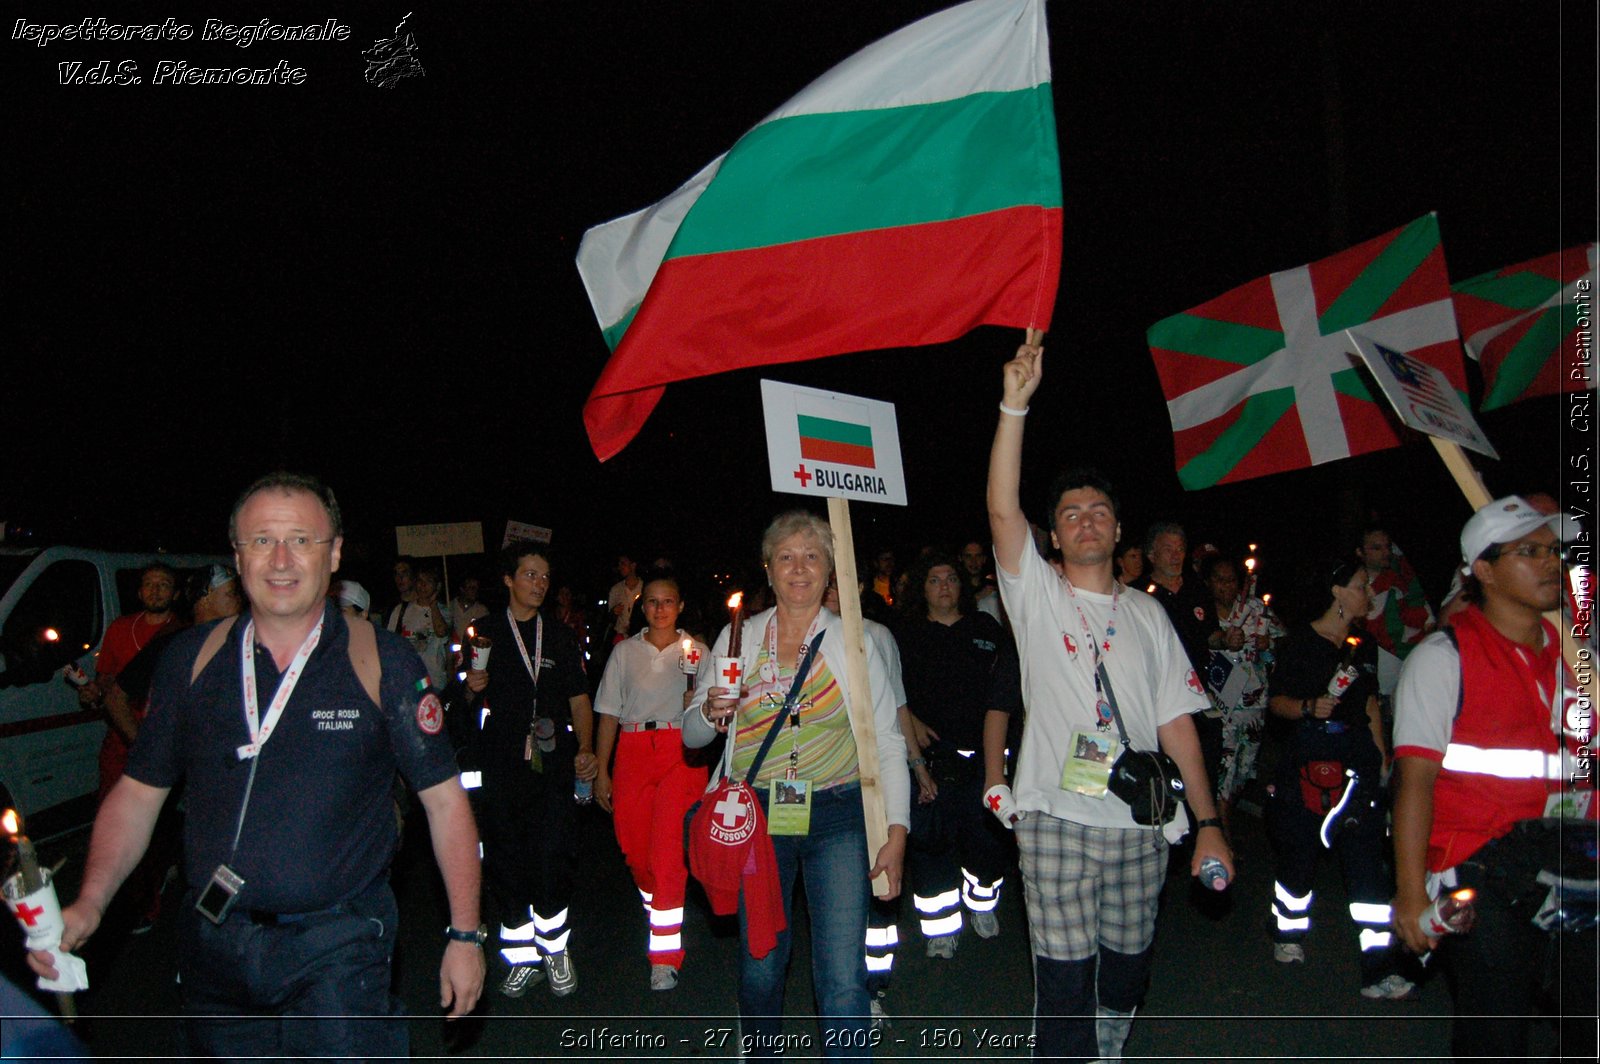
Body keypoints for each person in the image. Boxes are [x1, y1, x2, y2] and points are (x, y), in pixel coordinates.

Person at [29, 473, 484, 1056]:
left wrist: (465, 934)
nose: (281, 559)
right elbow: (138, 793)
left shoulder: (380, 659)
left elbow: (444, 802)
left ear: (335, 552)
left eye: (301, 539)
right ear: (238, 554)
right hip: (215, 948)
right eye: (262, 540)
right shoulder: (191, 659)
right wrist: (90, 901)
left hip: (339, 951)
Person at [986, 342, 1230, 1061]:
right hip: (1054, 815)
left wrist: (1209, 821)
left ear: (1119, 531)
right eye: (1070, 513)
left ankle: (1109, 1045)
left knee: (1126, 967)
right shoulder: (1036, 597)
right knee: (1062, 981)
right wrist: (1015, 405)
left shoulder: (1151, 617)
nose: (1086, 520)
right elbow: (1002, 508)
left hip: (1141, 819)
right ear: (1053, 535)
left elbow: (1176, 724)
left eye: (1099, 511)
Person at [685, 511, 910, 1057]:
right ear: (768, 568)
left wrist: (897, 829)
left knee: (841, 976)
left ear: (830, 568)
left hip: (837, 815)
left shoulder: (856, 640)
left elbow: (886, 737)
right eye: (786, 555)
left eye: (812, 555)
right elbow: (692, 735)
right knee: (762, 966)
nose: (799, 567)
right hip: (753, 819)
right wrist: (710, 711)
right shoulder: (739, 636)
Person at [1391, 496, 1595, 1061]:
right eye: (1529, 551)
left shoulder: (1579, 662)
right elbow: (1414, 783)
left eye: (1555, 550)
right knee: (1496, 1036)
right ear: (1483, 569)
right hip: (1480, 873)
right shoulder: (1444, 656)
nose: (1552, 562)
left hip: (1576, 865)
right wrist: (1410, 897)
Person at [1264, 558, 1411, 1000]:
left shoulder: (1363, 645)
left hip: (1356, 763)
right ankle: (1286, 931)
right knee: (1299, 856)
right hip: (1309, 760)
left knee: (1367, 866)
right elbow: (1277, 704)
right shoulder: (1299, 644)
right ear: (1337, 591)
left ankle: (1378, 969)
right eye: (1361, 586)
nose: (1368, 594)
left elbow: (1368, 705)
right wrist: (1308, 708)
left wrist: (1383, 758)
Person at [464, 542, 597, 999]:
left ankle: (556, 950)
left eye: (544, 577)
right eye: (530, 575)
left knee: (553, 855)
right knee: (504, 858)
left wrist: (586, 748)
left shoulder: (559, 636)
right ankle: (521, 956)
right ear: (508, 579)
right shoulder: (481, 632)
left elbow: (580, 698)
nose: (539, 584)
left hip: (552, 761)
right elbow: (459, 700)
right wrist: (471, 687)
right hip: (500, 761)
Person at [892, 552, 1020, 959]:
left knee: (987, 840)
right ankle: (941, 928)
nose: (944, 585)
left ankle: (982, 901)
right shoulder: (906, 634)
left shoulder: (986, 628)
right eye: (934, 579)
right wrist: (909, 720)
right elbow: (887, 688)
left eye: (950, 578)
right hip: (931, 758)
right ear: (921, 589)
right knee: (930, 844)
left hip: (984, 755)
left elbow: (1010, 688)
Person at [592, 570, 710, 992]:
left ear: (680, 606)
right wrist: (602, 769)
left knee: (666, 854)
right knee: (634, 852)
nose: (661, 609)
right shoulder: (624, 653)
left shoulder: (697, 651)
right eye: (653, 602)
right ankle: (658, 900)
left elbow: (715, 711)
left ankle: (664, 956)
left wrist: (696, 704)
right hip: (634, 751)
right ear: (643, 607)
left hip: (681, 751)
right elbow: (607, 712)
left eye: (669, 601)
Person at [79, 562, 182, 801]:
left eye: (163, 585)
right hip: (121, 735)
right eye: (148, 584)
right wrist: (95, 690)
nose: (155, 591)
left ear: (175, 594)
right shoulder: (120, 628)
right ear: (139, 592)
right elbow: (106, 677)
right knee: (113, 804)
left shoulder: (184, 632)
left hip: (163, 736)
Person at [1197, 555, 1282, 834]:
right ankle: (1223, 838)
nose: (1226, 586)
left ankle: (1223, 822)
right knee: (1224, 768)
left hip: (1253, 704)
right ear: (1209, 582)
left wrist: (1268, 643)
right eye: (1219, 580)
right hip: (1219, 706)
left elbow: (1284, 644)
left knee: (1243, 772)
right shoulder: (1202, 612)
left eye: (1231, 579)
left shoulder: (1255, 608)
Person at [387, 565, 452, 688]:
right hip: (409, 681)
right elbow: (391, 643)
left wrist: (432, 604)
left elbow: (441, 632)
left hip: (433, 681)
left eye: (428, 581)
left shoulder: (444, 612)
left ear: (437, 586)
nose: (423, 585)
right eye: (420, 581)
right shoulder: (401, 610)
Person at [959, 541, 1002, 622]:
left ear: (984, 559)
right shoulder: (955, 587)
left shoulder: (993, 585)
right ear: (961, 558)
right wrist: (977, 597)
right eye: (968, 556)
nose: (973, 561)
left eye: (978, 556)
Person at [607, 554, 643, 643]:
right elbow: (609, 618)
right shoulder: (616, 589)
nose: (620, 567)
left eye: (623, 564)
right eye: (619, 564)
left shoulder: (644, 587)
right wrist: (614, 612)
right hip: (621, 637)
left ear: (633, 565)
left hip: (641, 637)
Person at [450, 575, 490, 645]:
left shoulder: (482, 611)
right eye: (471, 588)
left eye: (476, 588)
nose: (474, 591)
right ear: (462, 589)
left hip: (471, 652)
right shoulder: (450, 607)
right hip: (451, 652)